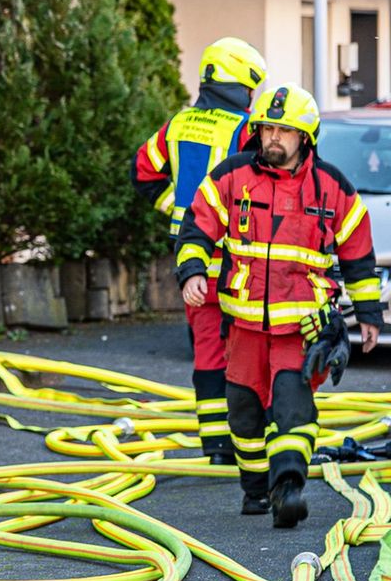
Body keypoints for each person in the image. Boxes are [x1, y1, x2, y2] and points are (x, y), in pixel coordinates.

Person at [177, 83, 383, 527]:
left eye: (283, 131)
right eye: (267, 127)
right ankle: (256, 490)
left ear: (304, 137)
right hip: (245, 327)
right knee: (244, 413)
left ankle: (288, 487)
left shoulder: (332, 188)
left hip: (303, 329)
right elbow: (197, 226)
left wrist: (368, 316)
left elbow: (358, 255)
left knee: (293, 408)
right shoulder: (231, 176)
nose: (272, 137)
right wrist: (192, 271)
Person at [134, 37, 267, 467]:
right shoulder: (246, 128)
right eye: (252, 89)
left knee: (209, 349)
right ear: (240, 84)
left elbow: (143, 171)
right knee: (250, 346)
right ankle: (252, 435)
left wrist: (176, 205)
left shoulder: (177, 124)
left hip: (191, 261)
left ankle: (216, 446)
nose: (252, 99)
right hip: (236, 261)